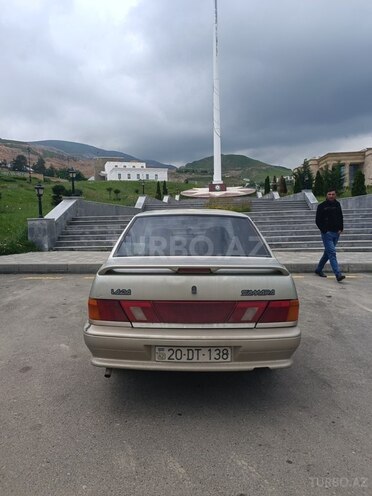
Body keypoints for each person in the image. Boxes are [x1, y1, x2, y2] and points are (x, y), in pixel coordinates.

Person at [315, 188, 345, 282]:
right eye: (329, 194)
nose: (331, 196)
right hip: (327, 234)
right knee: (332, 253)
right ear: (326, 195)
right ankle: (338, 274)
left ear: (335, 195)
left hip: (337, 233)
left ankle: (318, 269)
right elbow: (318, 220)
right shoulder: (321, 206)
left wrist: (341, 228)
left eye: (333, 194)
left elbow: (340, 217)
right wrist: (324, 231)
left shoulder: (337, 204)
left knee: (327, 253)